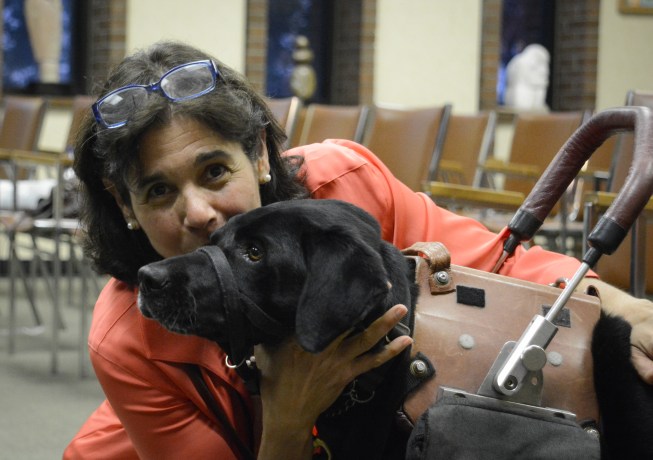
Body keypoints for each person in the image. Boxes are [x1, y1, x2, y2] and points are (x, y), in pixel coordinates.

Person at [64, 41, 653, 459]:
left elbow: (502, 262)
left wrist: (623, 307)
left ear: (261, 155)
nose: (196, 212)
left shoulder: (343, 186)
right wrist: (290, 412)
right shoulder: (127, 338)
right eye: (158, 191)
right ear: (124, 205)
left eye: (215, 171)